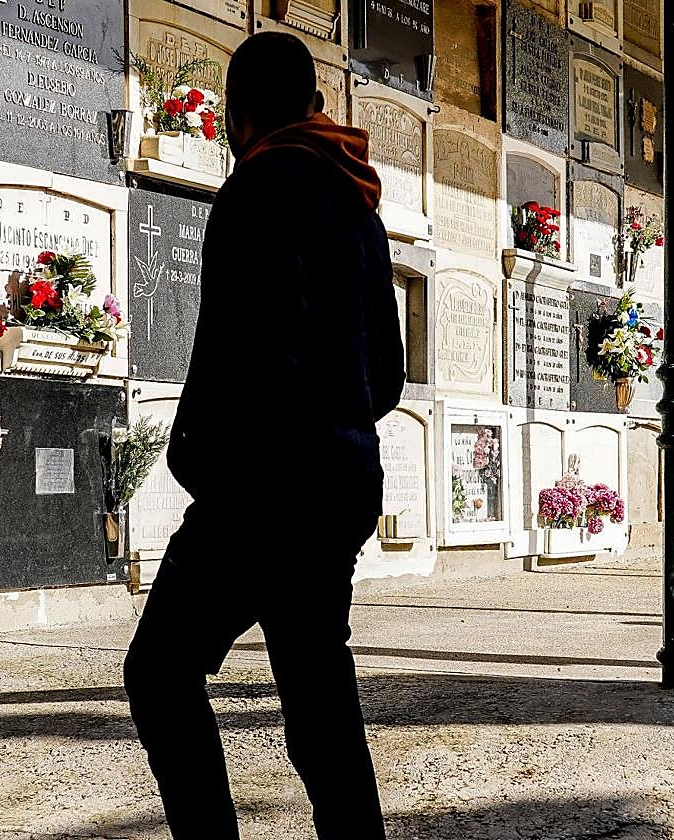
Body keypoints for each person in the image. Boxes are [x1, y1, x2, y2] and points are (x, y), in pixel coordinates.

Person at [123, 32, 403, 839]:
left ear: (236, 119)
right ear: (313, 105)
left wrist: (194, 459)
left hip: (262, 487)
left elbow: (229, 355)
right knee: (318, 695)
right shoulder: (359, 203)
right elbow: (384, 376)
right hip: (341, 481)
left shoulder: (257, 187)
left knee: (160, 672)